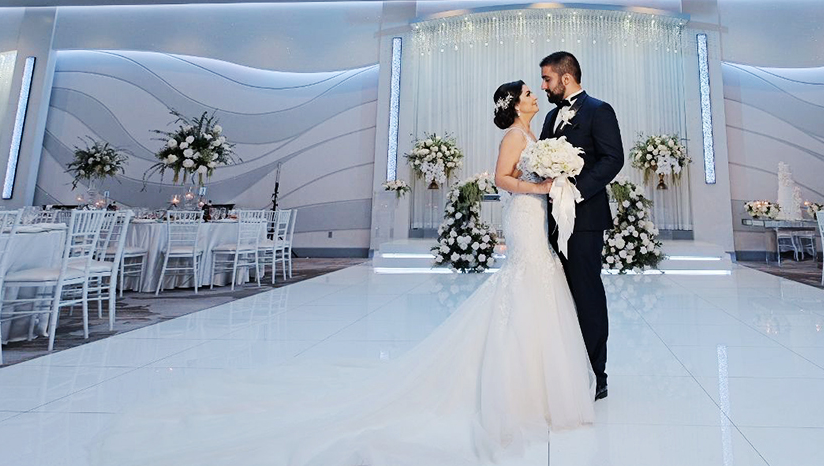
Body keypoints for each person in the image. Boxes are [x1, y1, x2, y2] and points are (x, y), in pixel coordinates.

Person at [90, 81, 594, 466]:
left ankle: (539, 385)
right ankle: (518, 388)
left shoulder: (533, 132)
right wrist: (538, 188)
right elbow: (505, 178)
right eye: (527, 92)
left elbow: (528, 172)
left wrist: (550, 176)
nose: (533, 94)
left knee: (536, 285)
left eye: (533, 90)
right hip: (526, 214)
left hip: (537, 216)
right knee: (522, 283)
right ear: (513, 105)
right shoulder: (513, 135)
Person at [538, 51, 623, 402]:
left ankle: (595, 374)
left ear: (566, 77)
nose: (544, 85)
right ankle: (564, 368)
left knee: (586, 295)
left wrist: (577, 190)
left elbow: (613, 158)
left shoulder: (599, 110)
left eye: (547, 79)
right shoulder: (550, 116)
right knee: (558, 295)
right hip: (552, 221)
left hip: (585, 219)